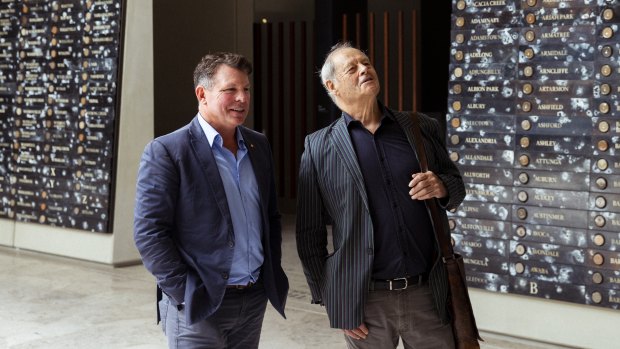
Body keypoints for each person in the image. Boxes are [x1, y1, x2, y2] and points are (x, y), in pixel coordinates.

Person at [296, 42, 465, 349]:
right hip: (365, 300)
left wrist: (441, 186)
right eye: (353, 68)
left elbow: (456, 184)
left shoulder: (419, 127)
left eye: (367, 63)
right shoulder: (318, 147)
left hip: (428, 293)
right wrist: (335, 301)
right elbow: (309, 234)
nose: (365, 69)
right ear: (332, 85)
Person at [133, 52, 288, 349]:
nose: (242, 98)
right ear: (202, 94)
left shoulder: (259, 145)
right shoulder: (167, 151)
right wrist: (185, 292)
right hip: (201, 306)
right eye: (230, 90)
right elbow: (149, 233)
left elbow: (271, 216)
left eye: (246, 89)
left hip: (253, 299)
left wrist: (269, 272)